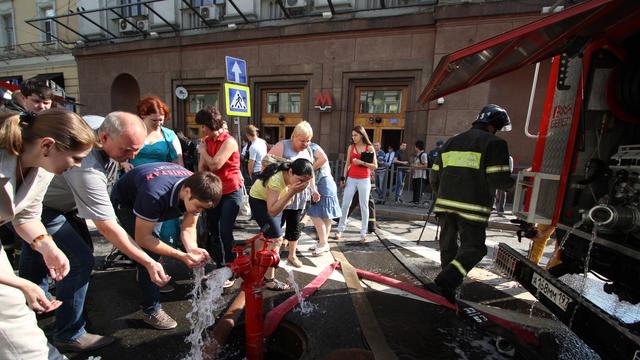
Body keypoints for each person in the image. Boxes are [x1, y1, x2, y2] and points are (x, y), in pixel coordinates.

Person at [19, 112, 172, 352]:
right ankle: (69, 333)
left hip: (54, 206)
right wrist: (148, 262)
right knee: (79, 261)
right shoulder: (86, 168)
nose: (131, 157)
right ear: (103, 137)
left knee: (41, 252)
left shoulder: (95, 124)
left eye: (136, 150)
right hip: (45, 208)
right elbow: (107, 226)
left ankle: (33, 304)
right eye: (126, 150)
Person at [0, 108, 95, 359]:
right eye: (76, 158)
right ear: (47, 145)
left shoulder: (42, 167)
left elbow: (27, 216)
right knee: (12, 318)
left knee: (14, 317)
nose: (78, 165)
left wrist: (47, 246)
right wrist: (21, 283)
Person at [111, 163, 221, 329]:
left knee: (156, 243)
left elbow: (189, 227)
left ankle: (149, 276)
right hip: (127, 201)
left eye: (204, 209)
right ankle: (151, 309)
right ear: (187, 192)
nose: (199, 211)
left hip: (153, 194)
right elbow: (143, 238)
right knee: (148, 253)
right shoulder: (154, 194)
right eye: (199, 206)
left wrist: (191, 249)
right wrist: (181, 256)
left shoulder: (197, 187)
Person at [428, 104, 515, 303]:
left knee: (448, 247)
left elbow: (434, 177)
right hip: (473, 208)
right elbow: (498, 179)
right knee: (475, 248)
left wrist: (442, 196)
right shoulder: (495, 144)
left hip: (445, 205)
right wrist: (520, 186)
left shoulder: (450, 142)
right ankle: (448, 279)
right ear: (494, 126)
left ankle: (447, 289)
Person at [249, 158, 313, 289]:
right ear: (290, 172)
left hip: (274, 201)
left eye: (306, 181)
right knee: (276, 237)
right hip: (259, 201)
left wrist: (291, 192)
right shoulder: (276, 180)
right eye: (300, 180)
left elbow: (284, 204)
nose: (303, 184)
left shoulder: (290, 177)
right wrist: (291, 192)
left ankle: (259, 265)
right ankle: (267, 278)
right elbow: (272, 211)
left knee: (273, 238)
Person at [197, 107, 242, 287]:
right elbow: (202, 169)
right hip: (215, 192)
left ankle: (231, 269)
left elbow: (215, 165)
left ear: (210, 124)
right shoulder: (207, 141)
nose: (202, 130)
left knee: (225, 230)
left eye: (203, 126)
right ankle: (220, 264)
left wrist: (203, 150)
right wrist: (205, 153)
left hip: (231, 191)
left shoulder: (229, 141)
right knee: (213, 230)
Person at [268, 121, 319, 268]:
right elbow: (266, 164)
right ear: (294, 137)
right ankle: (272, 255)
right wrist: (285, 166)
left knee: (294, 225)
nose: (305, 144)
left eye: (308, 141)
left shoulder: (308, 150)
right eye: (302, 140)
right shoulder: (282, 146)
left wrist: (313, 189)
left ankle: (292, 255)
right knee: (276, 227)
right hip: (281, 194)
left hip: (299, 197)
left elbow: (310, 173)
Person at [335, 126, 378, 242]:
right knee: (345, 204)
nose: (353, 137)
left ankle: (363, 233)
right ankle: (340, 229)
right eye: (352, 135)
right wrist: (343, 178)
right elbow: (347, 164)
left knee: (364, 206)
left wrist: (361, 162)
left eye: (356, 135)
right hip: (351, 179)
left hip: (364, 179)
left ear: (362, 135)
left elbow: (375, 166)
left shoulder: (369, 147)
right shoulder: (351, 147)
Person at [123, 96, 183, 170]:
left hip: (160, 177)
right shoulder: (131, 132)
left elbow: (178, 162)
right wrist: (124, 164)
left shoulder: (169, 135)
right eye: (154, 120)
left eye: (161, 120)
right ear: (142, 115)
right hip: (135, 176)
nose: (158, 123)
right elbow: (119, 153)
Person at [307, 143, 342, 256]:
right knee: (325, 216)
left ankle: (323, 243)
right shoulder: (312, 147)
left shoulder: (312, 147)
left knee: (314, 214)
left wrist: (309, 169)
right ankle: (323, 243)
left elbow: (323, 158)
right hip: (326, 183)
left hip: (324, 184)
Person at [411, 140, 430, 205]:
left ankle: (417, 202)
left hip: (421, 175)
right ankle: (414, 201)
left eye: (415, 146)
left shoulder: (423, 155)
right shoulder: (417, 155)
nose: (414, 147)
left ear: (417, 147)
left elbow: (425, 165)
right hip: (416, 175)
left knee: (419, 189)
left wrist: (415, 166)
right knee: (415, 189)